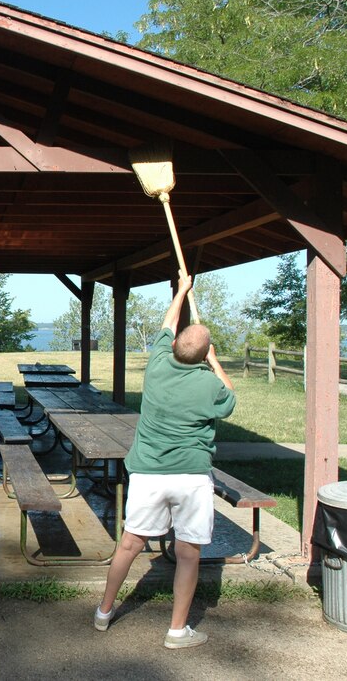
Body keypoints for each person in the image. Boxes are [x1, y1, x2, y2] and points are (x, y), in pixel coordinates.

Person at [94, 272, 236, 649]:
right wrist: (215, 362)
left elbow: (167, 323)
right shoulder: (210, 384)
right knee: (188, 552)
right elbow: (231, 397)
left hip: (148, 474)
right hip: (191, 478)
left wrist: (181, 289)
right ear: (203, 355)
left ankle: (105, 611)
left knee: (130, 544)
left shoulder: (157, 366)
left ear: (173, 347)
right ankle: (177, 630)